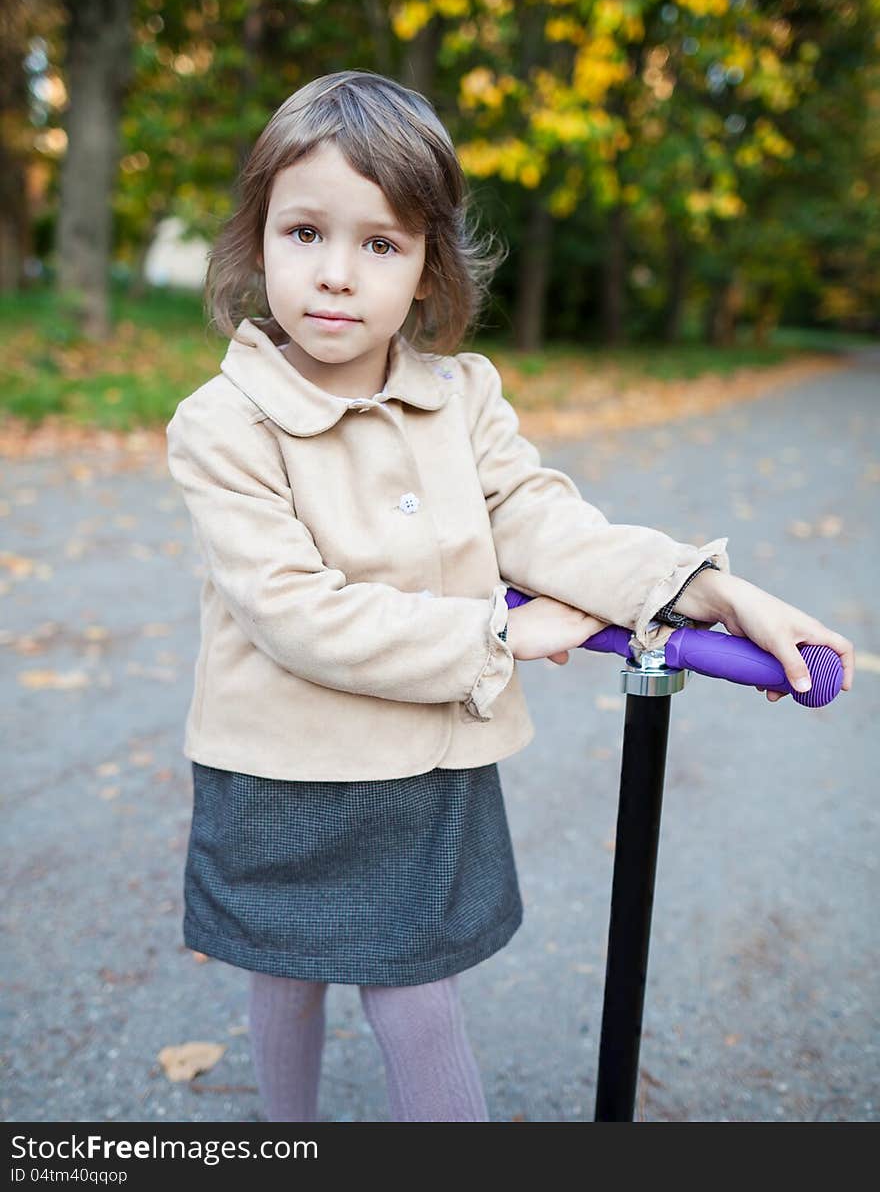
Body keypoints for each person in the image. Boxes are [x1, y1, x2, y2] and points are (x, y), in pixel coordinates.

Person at [164, 69, 854, 1124]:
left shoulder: (461, 399)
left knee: (417, 1002)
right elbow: (293, 611)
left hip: (417, 769)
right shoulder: (224, 423)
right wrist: (499, 631)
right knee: (283, 972)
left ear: (427, 264)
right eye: (304, 232)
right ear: (257, 236)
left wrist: (708, 590)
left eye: (379, 243)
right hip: (278, 770)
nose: (336, 274)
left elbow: (543, 521)